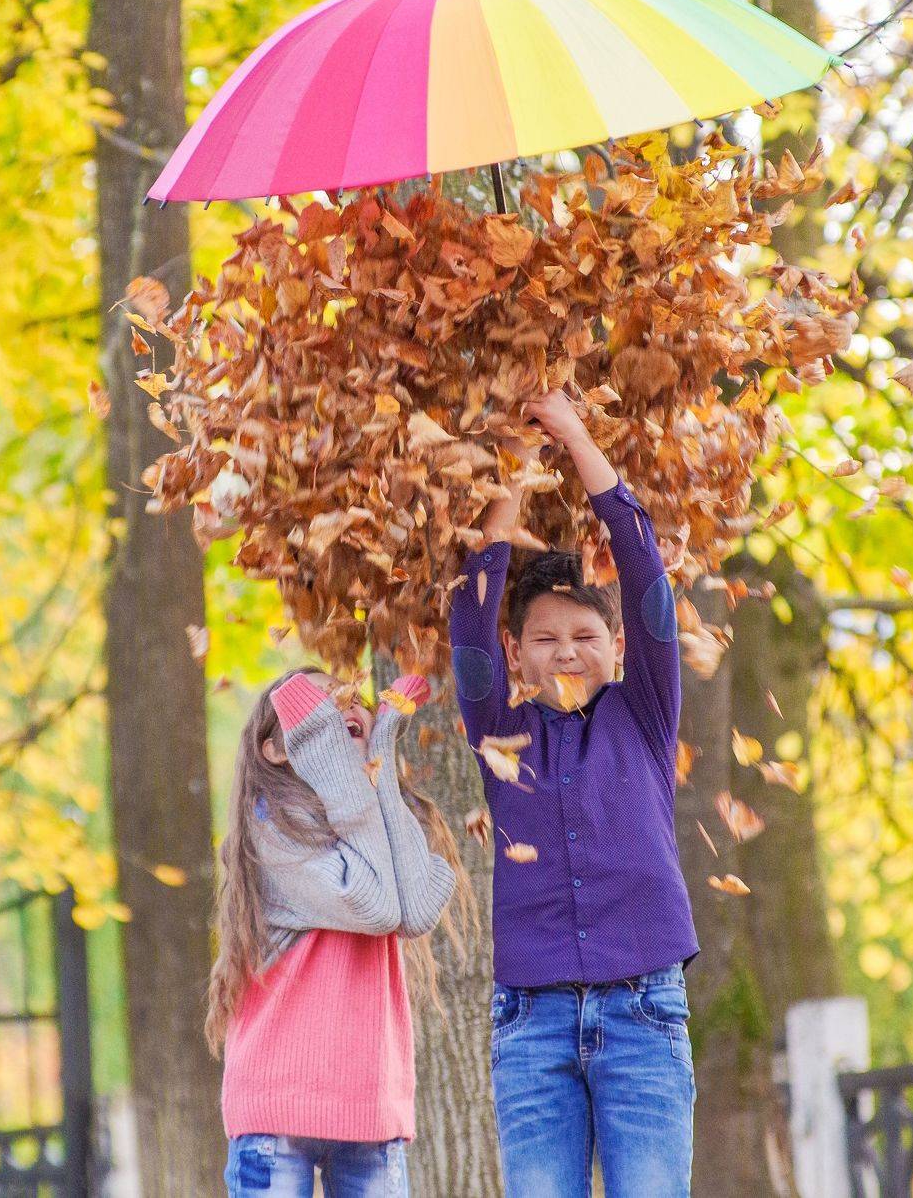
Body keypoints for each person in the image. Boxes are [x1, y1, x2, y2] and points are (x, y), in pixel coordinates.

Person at [449, 387, 699, 1198]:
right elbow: (468, 617)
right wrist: (518, 470)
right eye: (544, 638)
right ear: (515, 653)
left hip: (643, 1011)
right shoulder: (498, 731)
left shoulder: (644, 711)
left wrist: (574, 437)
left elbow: (644, 570)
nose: (564, 652)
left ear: (617, 646)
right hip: (532, 1024)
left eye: (584, 636)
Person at [206, 666, 467, 1197]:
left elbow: (416, 910)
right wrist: (340, 761)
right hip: (279, 1107)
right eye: (318, 712)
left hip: (369, 1107)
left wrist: (381, 759)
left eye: (353, 701)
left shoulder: (380, 818)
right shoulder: (270, 828)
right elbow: (375, 907)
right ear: (277, 750)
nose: (343, 708)